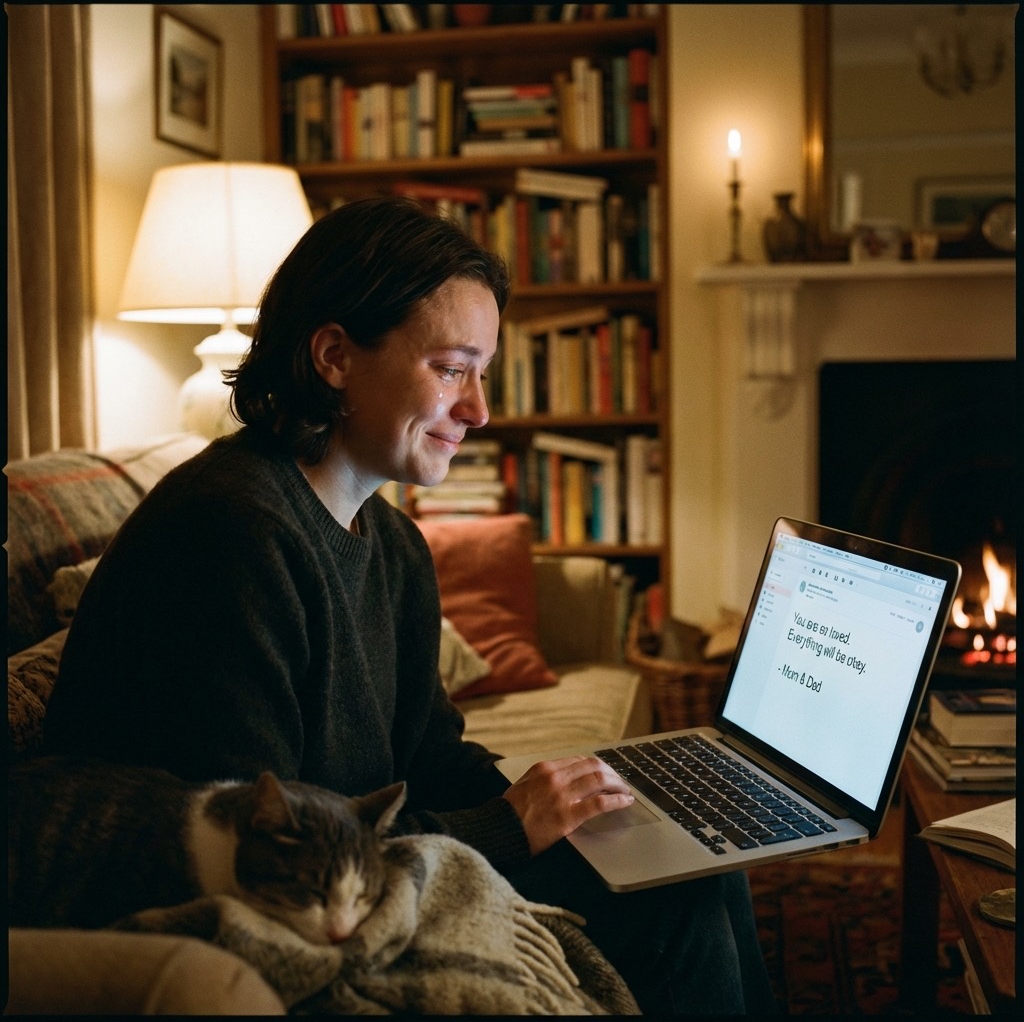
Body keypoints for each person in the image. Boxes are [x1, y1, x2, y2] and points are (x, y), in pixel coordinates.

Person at [45, 196, 775, 1014]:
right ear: (333, 356)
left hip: (361, 861)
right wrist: (509, 825)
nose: (479, 412)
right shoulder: (229, 532)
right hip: (270, 900)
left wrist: (570, 802)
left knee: (698, 864)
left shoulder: (391, 543)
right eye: (452, 368)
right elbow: (263, 848)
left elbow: (428, 751)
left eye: (483, 373)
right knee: (677, 910)